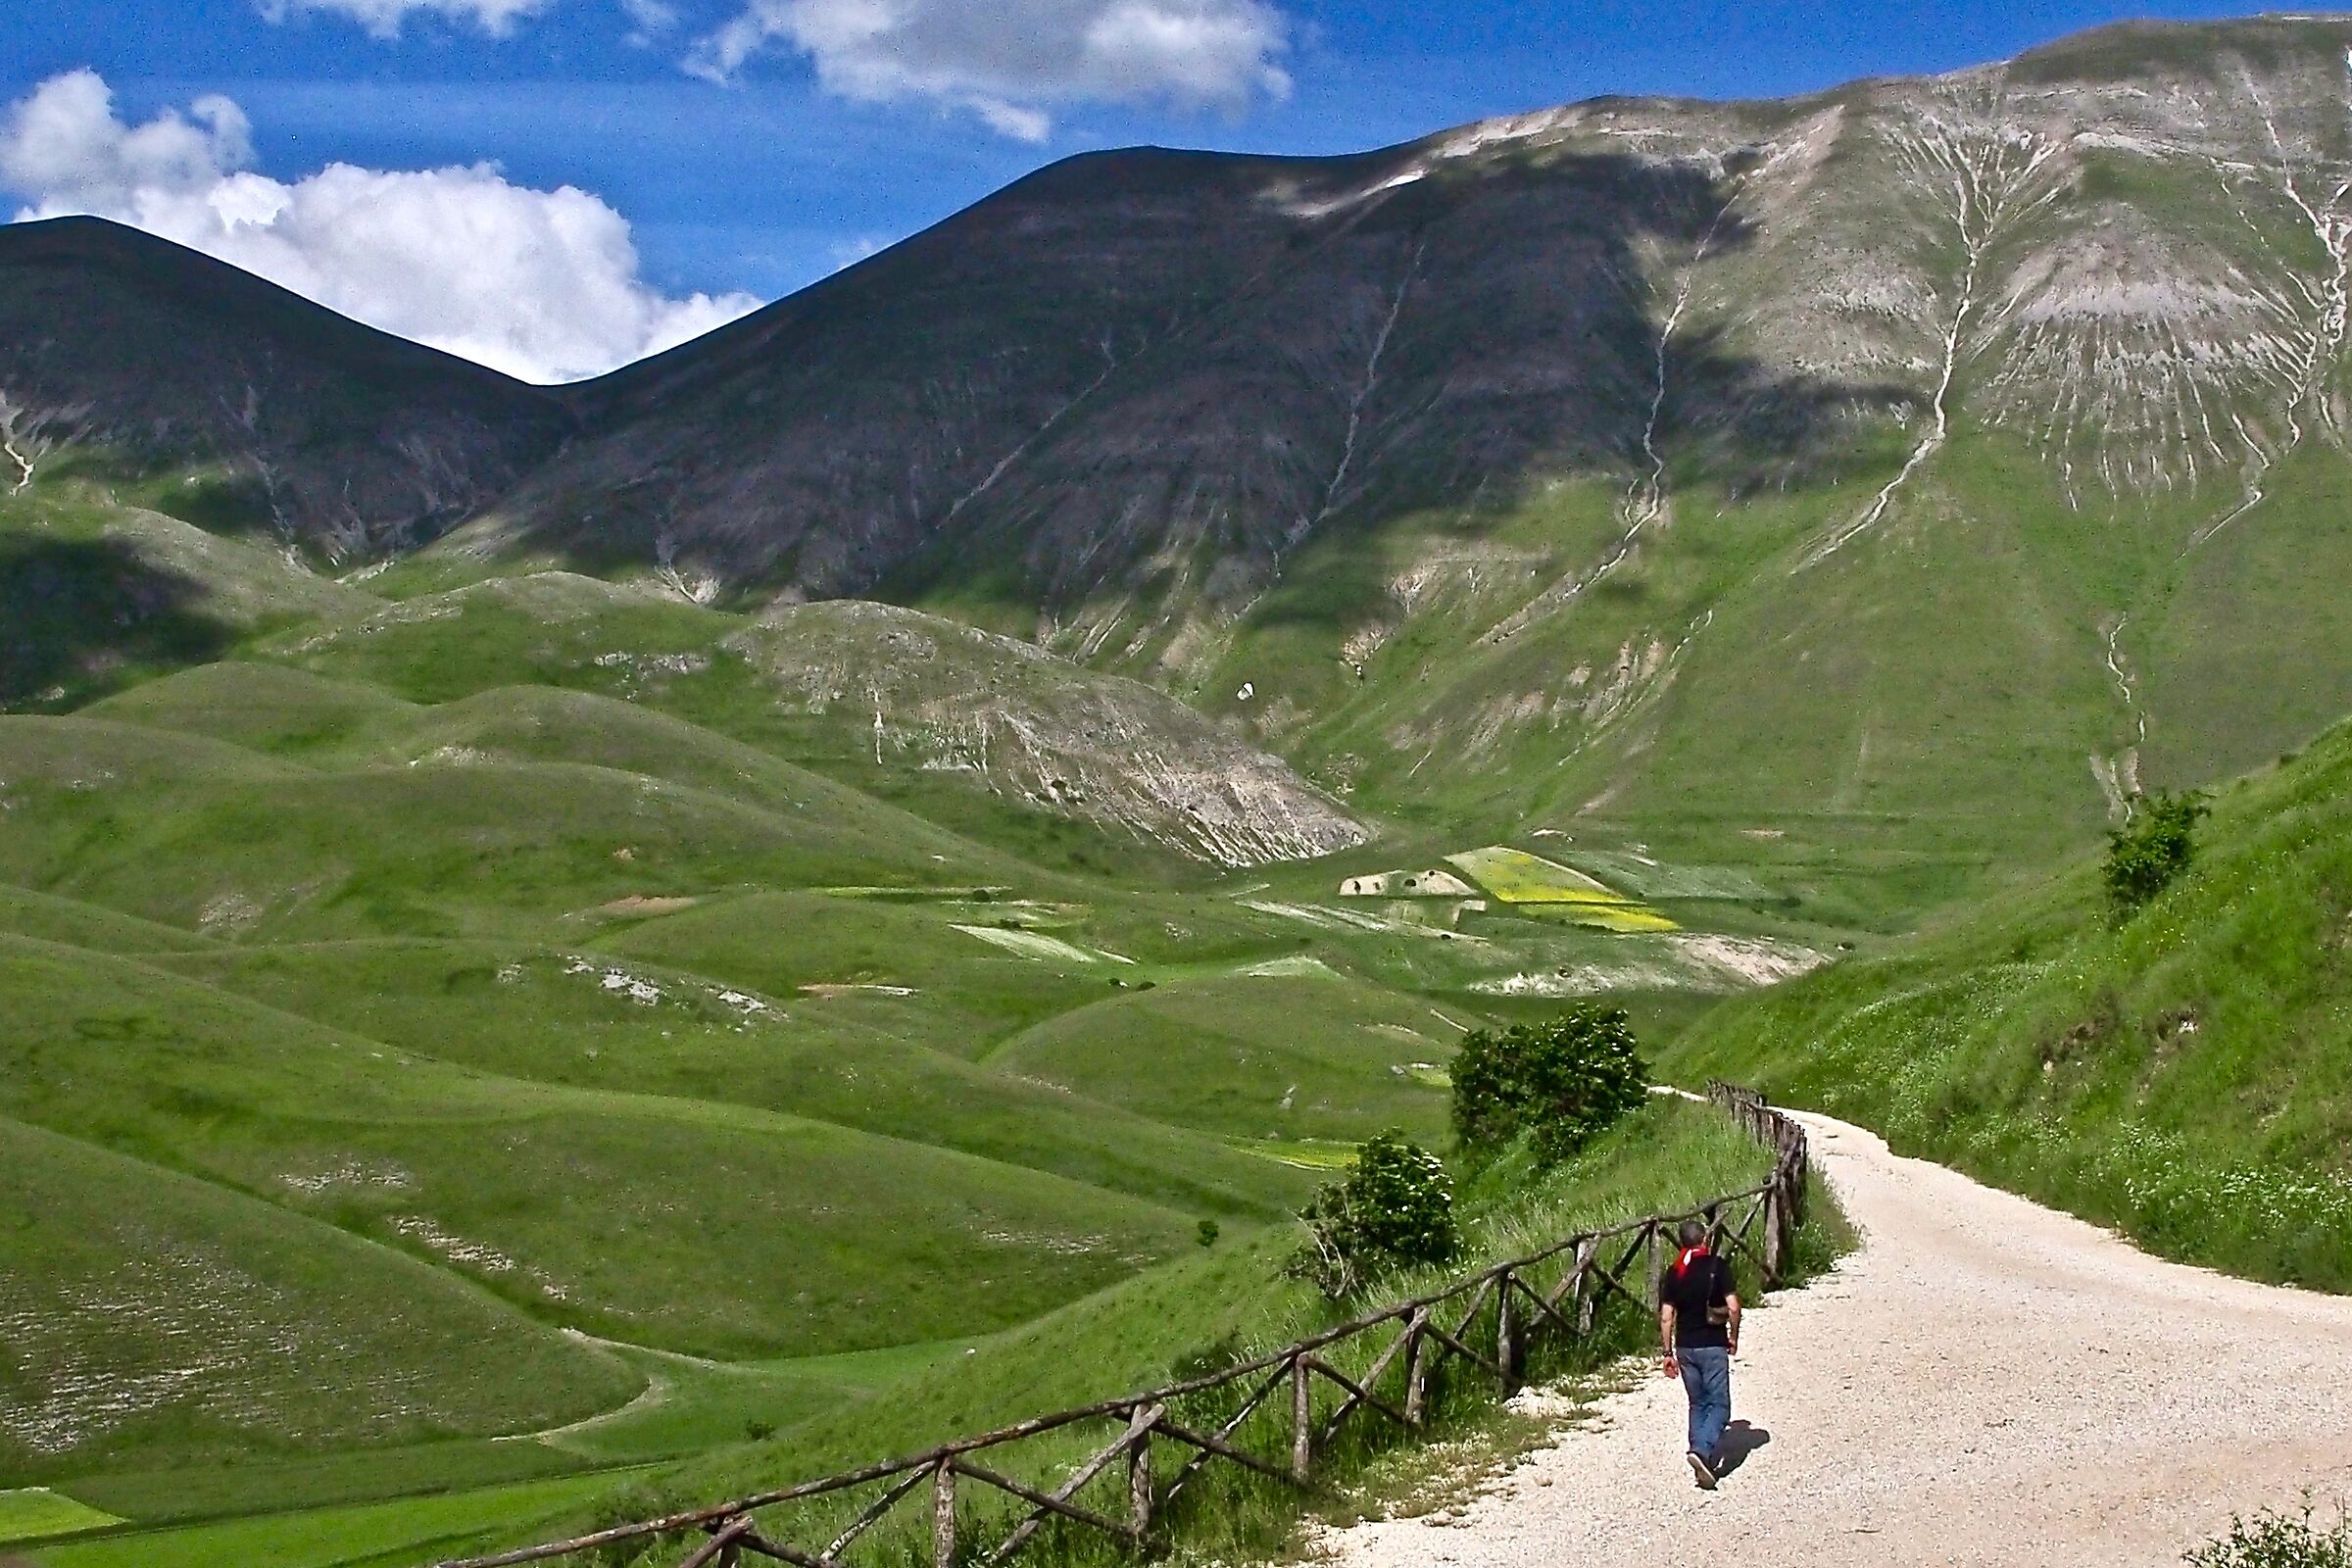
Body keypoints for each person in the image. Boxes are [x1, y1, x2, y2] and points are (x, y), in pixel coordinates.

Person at [1658, 1217, 1740, 1489]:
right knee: (1719, 1405)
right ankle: (1702, 1451)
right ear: (1704, 1239)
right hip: (1712, 1343)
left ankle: (1698, 1456)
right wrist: (1733, 1336)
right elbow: (1733, 1307)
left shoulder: (1674, 1272)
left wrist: (1667, 1352)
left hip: (1685, 1346)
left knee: (1697, 1403)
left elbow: (1667, 1316)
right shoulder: (1718, 1266)